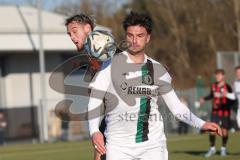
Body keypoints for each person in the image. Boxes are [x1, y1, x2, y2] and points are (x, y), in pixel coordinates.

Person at [88, 11, 222, 160]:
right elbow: (95, 99)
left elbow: (176, 108)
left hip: (152, 146)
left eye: (140, 35)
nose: (134, 40)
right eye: (130, 35)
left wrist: (201, 124)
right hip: (118, 146)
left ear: (148, 38)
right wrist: (94, 131)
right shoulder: (109, 65)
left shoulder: (158, 70)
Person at [65, 14, 107, 160]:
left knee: (101, 151)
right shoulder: (90, 54)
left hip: (121, 115)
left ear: (87, 28)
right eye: (69, 34)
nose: (72, 36)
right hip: (109, 113)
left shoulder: (101, 47)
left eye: (75, 31)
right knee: (99, 151)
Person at [199, 69, 233, 157]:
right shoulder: (213, 85)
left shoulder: (228, 87)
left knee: (224, 131)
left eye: (219, 75)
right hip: (215, 112)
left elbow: (232, 99)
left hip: (225, 112)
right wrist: (204, 99)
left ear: (223, 76)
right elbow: (211, 95)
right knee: (212, 129)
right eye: (216, 75)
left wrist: (224, 105)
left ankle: (223, 149)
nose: (217, 77)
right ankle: (212, 149)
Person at [233, 66, 240, 130]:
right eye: (237, 72)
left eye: (239, 72)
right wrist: (225, 94)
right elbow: (234, 96)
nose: (238, 74)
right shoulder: (235, 83)